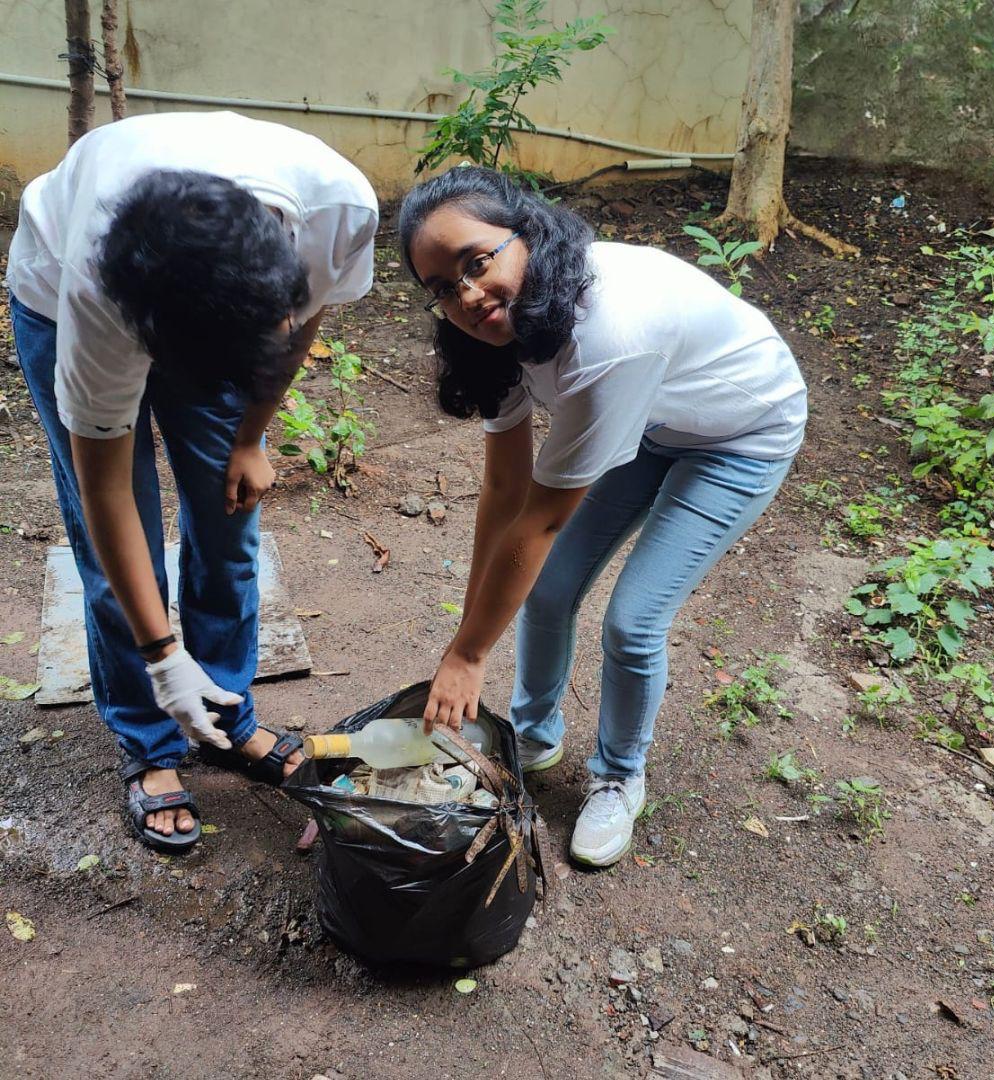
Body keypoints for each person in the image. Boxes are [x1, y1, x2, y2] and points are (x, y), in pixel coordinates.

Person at [399, 166, 806, 867]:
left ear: (524, 232)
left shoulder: (609, 332)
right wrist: (465, 644)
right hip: (653, 417)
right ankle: (535, 733)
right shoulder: (495, 333)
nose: (465, 295)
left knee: (634, 618)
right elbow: (504, 494)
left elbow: (540, 522)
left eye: (477, 262)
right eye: (442, 286)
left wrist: (466, 657)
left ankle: (619, 776)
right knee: (549, 588)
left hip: (741, 435)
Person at [7, 111, 378, 853]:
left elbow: (304, 320)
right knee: (121, 552)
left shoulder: (339, 211)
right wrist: (161, 655)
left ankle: (226, 717)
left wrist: (249, 436)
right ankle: (151, 741)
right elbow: (105, 491)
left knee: (228, 518)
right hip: (61, 294)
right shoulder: (97, 294)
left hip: (218, 300)